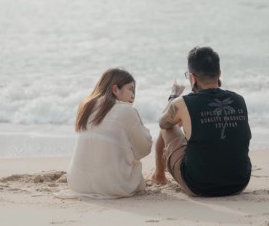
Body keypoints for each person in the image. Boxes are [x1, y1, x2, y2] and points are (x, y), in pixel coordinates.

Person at [151, 47, 251, 197]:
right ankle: (160, 174)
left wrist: (173, 96)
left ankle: (159, 175)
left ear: (192, 77)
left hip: (198, 185)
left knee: (168, 126)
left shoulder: (183, 103)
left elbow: (162, 122)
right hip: (238, 183)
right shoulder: (239, 99)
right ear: (219, 74)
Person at [67, 68, 153, 198]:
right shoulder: (126, 110)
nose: (133, 95)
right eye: (130, 89)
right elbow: (145, 148)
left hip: (77, 183)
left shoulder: (86, 106)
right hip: (113, 186)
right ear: (115, 89)